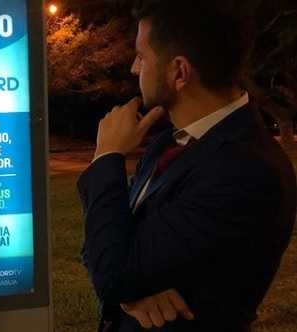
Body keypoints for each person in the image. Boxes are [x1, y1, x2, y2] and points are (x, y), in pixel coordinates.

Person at [78, 1, 296, 331]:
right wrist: (130, 292)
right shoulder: (170, 143)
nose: (134, 68)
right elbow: (103, 245)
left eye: (142, 56)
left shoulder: (246, 169)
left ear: (179, 71)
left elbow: (111, 271)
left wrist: (107, 156)